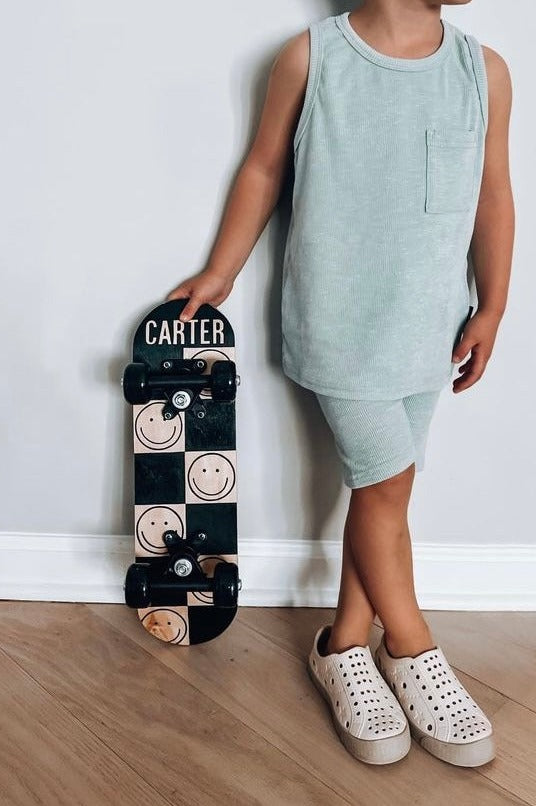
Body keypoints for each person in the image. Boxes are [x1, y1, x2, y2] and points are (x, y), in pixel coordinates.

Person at [168, 0, 514, 768]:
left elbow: (493, 191)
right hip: (339, 322)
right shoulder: (311, 57)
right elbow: (263, 166)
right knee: (385, 485)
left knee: (383, 493)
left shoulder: (481, 70)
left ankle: (344, 643)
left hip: (430, 325)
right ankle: (415, 647)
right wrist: (221, 271)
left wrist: (492, 303)